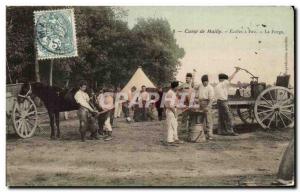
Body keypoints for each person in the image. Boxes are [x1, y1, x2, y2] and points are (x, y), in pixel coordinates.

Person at [215, 68, 240, 136]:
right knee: (228, 116)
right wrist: (236, 71)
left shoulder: (217, 86)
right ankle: (230, 131)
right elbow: (230, 79)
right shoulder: (223, 84)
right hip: (223, 102)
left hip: (219, 102)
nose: (226, 80)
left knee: (221, 117)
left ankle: (220, 131)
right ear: (222, 79)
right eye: (225, 79)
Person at [197, 75, 215, 140]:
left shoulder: (210, 88)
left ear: (208, 81)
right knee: (200, 119)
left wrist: (208, 107)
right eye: (204, 82)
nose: (205, 83)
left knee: (208, 119)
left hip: (207, 103)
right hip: (200, 103)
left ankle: (210, 135)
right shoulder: (200, 86)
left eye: (206, 81)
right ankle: (202, 134)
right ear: (202, 82)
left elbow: (211, 99)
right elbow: (198, 96)